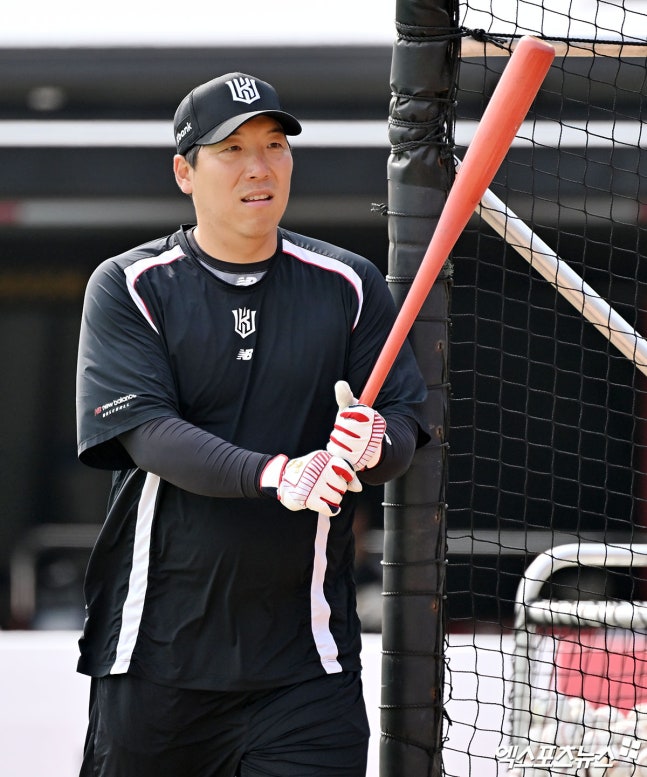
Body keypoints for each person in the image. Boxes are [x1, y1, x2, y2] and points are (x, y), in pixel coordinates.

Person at [75, 71, 429, 777]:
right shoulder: (132, 284)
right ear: (185, 172)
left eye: (273, 145)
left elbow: (402, 423)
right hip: (157, 660)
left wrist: (373, 443)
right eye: (230, 150)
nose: (259, 167)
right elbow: (148, 432)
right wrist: (279, 474)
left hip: (307, 666)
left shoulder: (348, 283)